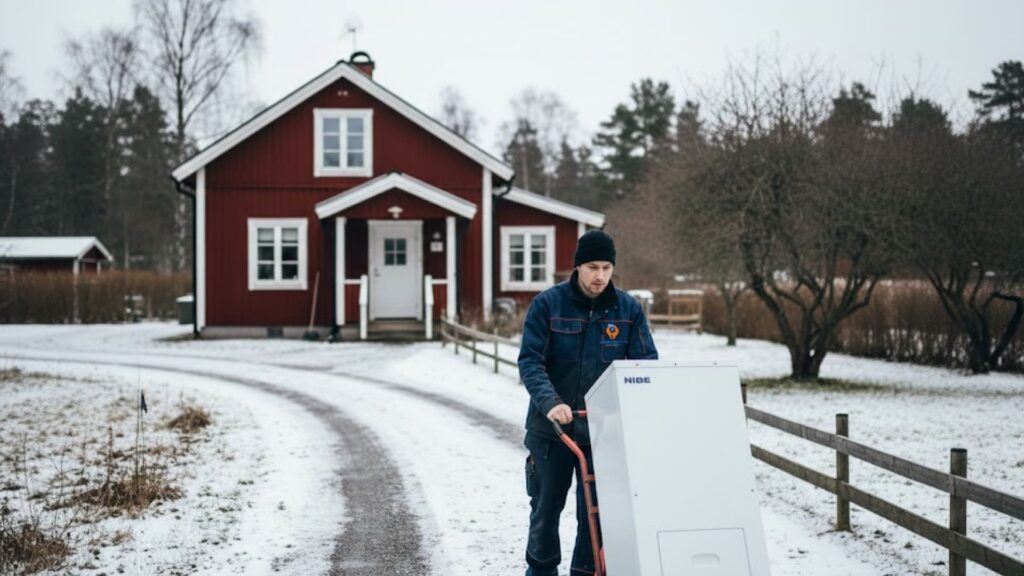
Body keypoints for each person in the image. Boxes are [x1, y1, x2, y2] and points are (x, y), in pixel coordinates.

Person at [518, 229, 659, 576]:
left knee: (596, 514)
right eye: (593, 267)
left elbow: (644, 366)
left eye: (607, 267)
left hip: (602, 433)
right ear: (578, 266)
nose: (600, 276)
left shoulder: (627, 310)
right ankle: (541, 571)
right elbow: (530, 361)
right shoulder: (548, 304)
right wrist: (551, 402)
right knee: (546, 510)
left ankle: (586, 571)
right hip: (552, 431)